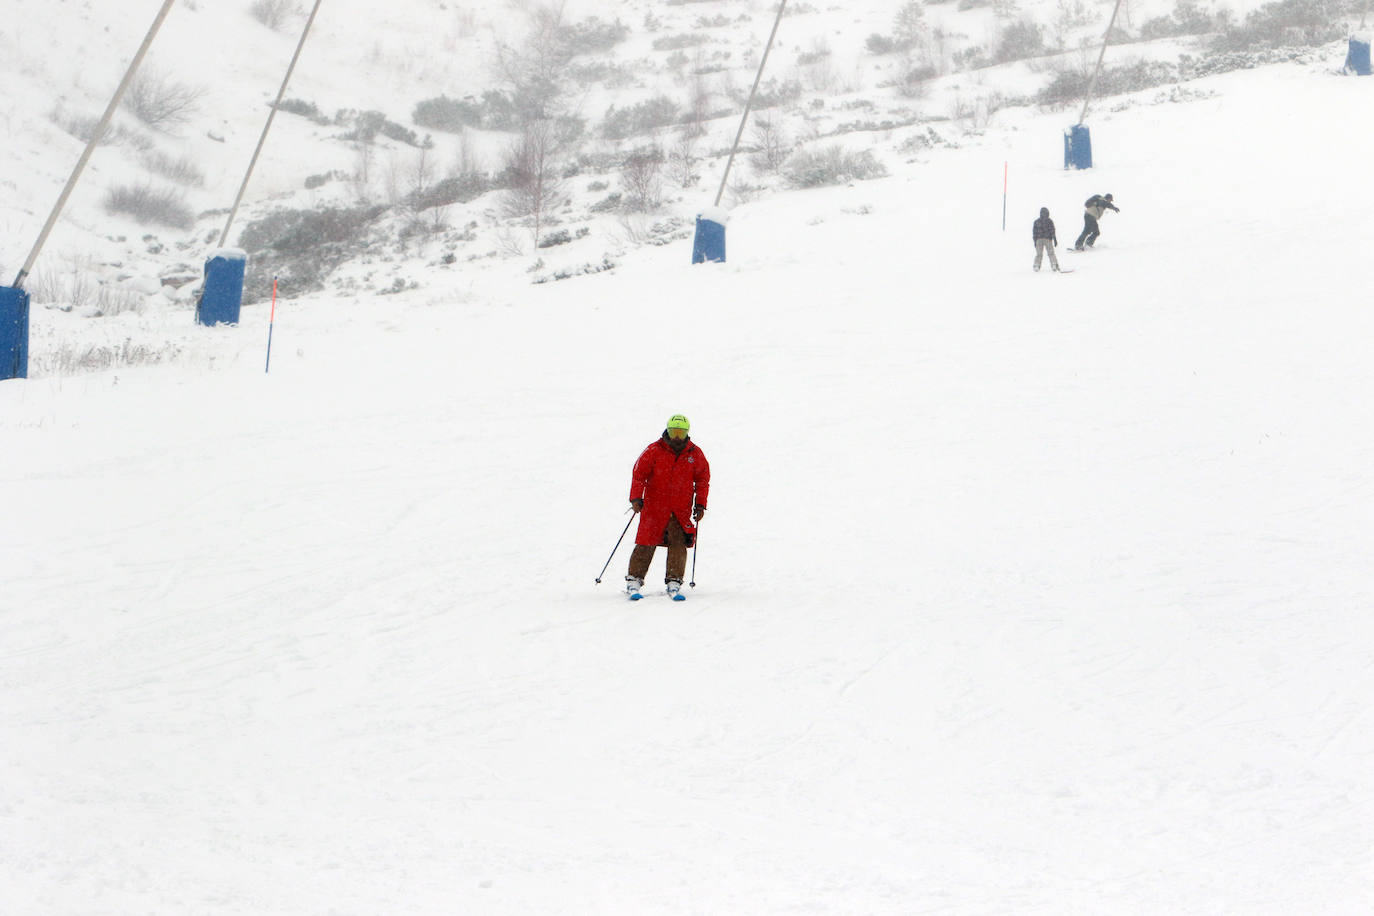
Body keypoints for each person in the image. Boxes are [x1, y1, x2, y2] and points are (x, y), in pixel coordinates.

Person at [625, 414, 710, 600]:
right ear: (668, 431)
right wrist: (636, 498)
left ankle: (674, 580)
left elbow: (703, 480)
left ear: (687, 432)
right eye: (673, 432)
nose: (677, 437)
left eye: (681, 432)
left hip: (680, 509)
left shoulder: (694, 454)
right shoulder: (654, 450)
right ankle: (634, 579)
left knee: (678, 543)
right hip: (654, 507)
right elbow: (639, 474)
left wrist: (701, 504)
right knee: (646, 542)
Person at [1032, 206, 1059, 272]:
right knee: (1051, 253)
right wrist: (1054, 239)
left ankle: (1036, 265)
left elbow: (1034, 232)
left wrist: (1035, 240)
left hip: (1039, 239)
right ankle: (1054, 264)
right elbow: (1052, 230)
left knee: (1039, 254)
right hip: (1048, 239)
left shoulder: (1036, 221)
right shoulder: (1049, 221)